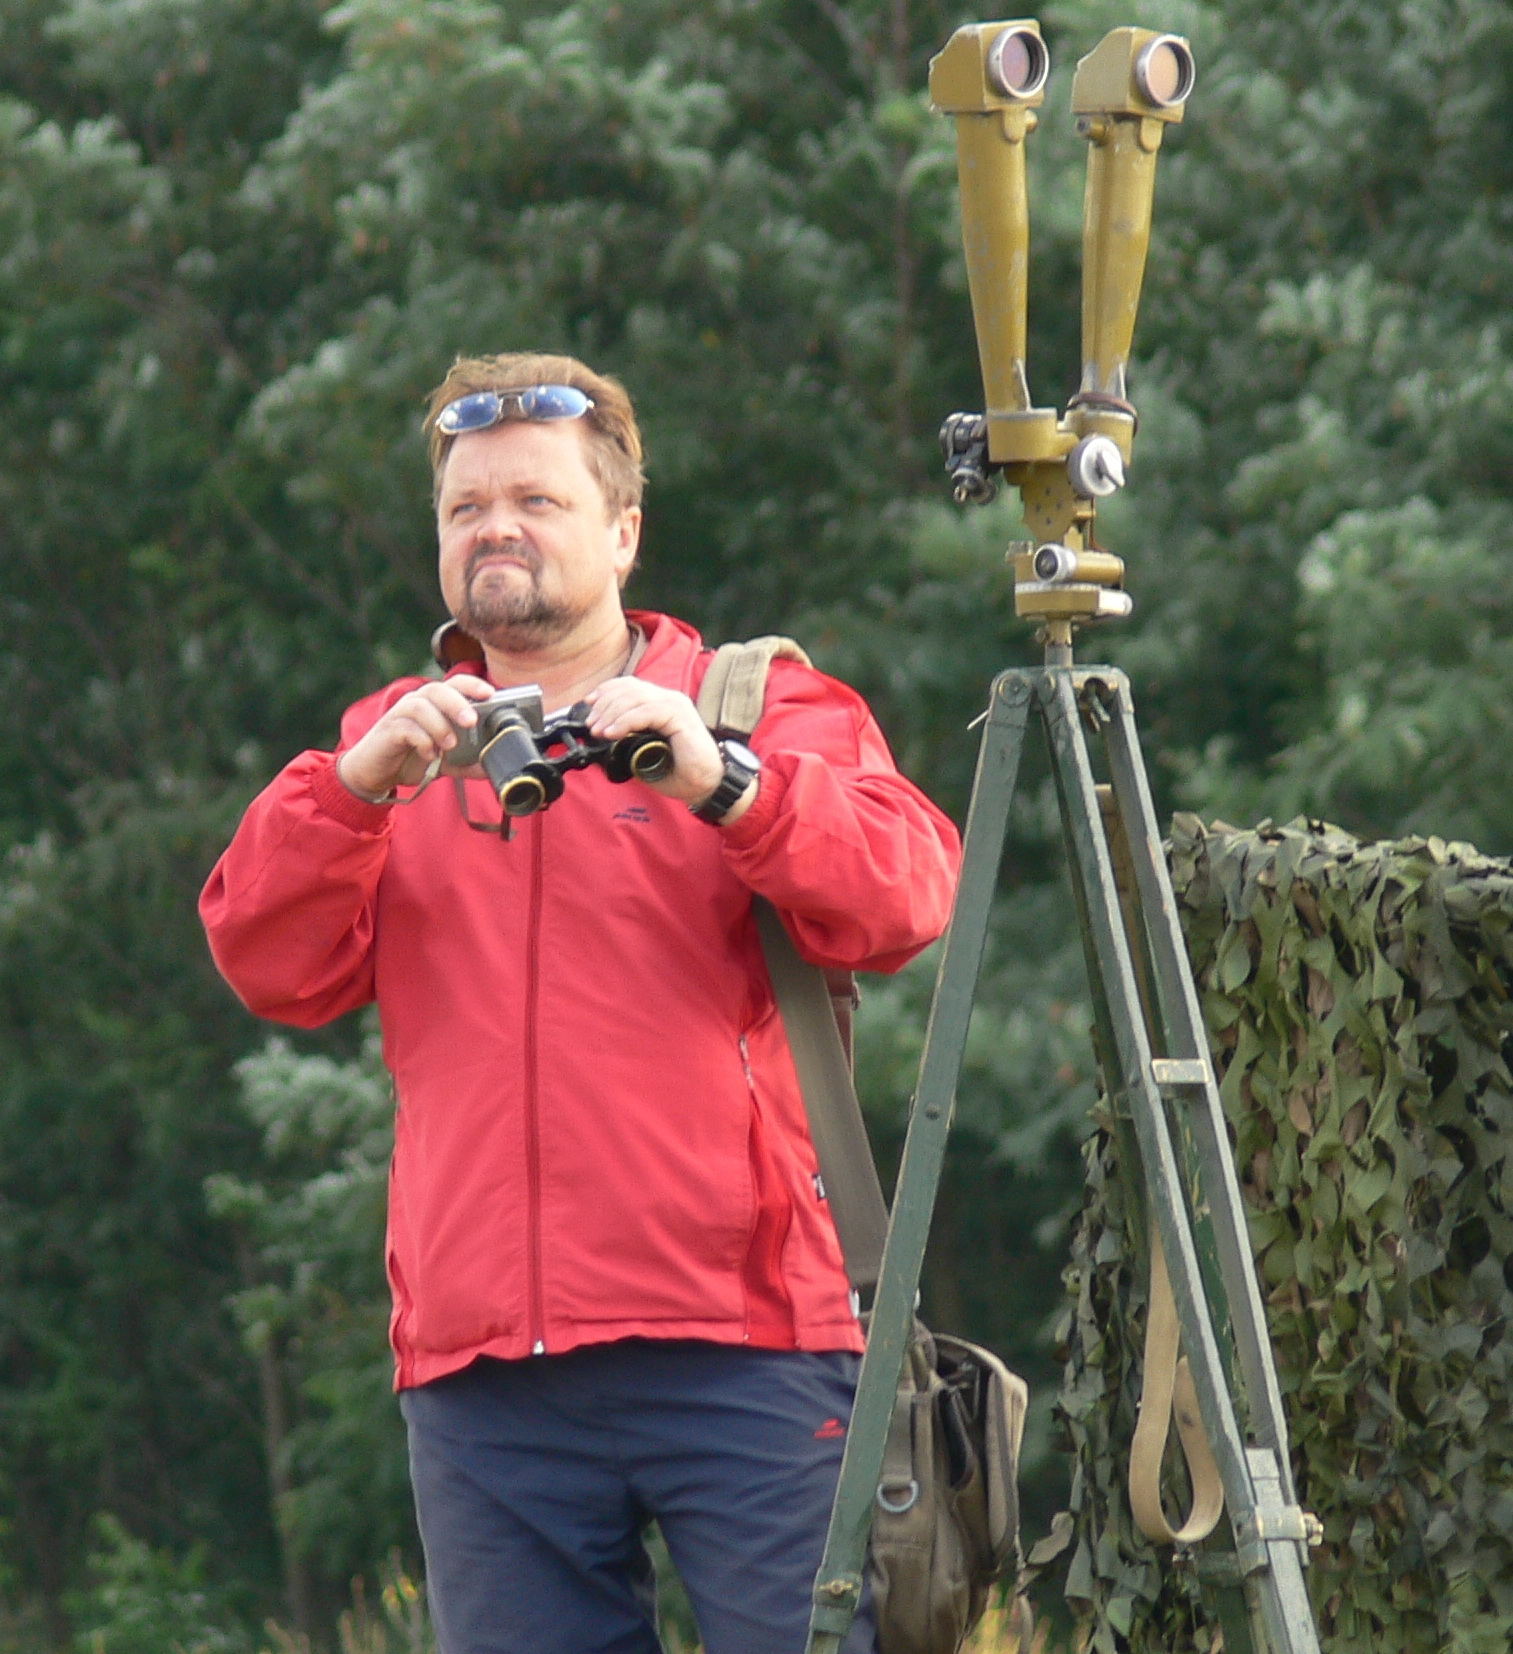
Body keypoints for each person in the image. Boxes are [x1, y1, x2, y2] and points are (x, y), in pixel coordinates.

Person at [200, 352, 961, 1654]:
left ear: (622, 532)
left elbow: (907, 896)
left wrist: (724, 781)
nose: (493, 527)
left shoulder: (749, 703)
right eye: (465, 506)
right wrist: (348, 792)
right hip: (485, 1376)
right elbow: (271, 963)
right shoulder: (395, 740)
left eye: (536, 501)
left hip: (749, 1343)